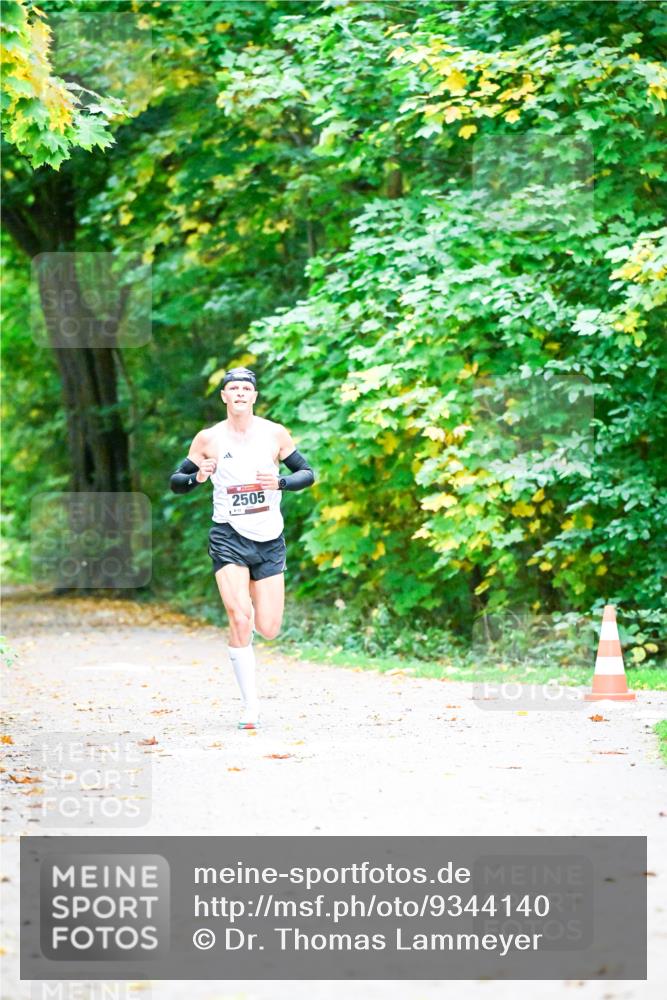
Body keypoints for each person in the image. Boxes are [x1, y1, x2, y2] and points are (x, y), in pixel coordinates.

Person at [169, 367, 315, 730]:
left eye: (245, 389)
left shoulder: (274, 433)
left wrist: (280, 482)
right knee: (240, 618)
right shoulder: (209, 438)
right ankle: (250, 707)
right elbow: (176, 482)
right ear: (224, 396)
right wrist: (198, 476)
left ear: (254, 396)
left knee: (269, 627)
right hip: (228, 536)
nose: (239, 393)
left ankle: (253, 601)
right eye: (232, 388)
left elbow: (307, 474)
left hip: (269, 539)